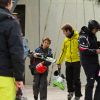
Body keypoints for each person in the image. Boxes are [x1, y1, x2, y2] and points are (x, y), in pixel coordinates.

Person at [0, 0, 24, 100]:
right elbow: (16, 53)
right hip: (5, 76)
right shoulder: (11, 22)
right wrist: (19, 77)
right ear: (9, 3)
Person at [56, 24, 82, 100]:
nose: (63, 33)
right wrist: (59, 62)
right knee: (68, 79)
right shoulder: (66, 40)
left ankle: (77, 95)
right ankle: (70, 92)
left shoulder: (78, 38)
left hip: (76, 61)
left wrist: (82, 59)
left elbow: (82, 49)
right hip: (68, 62)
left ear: (68, 31)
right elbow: (63, 51)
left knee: (76, 79)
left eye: (64, 32)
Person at [79, 20, 100, 100]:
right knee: (90, 82)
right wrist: (96, 51)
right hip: (88, 64)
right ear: (92, 28)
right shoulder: (83, 36)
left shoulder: (93, 35)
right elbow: (83, 50)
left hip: (95, 63)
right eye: (96, 29)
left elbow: (93, 44)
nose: (97, 31)